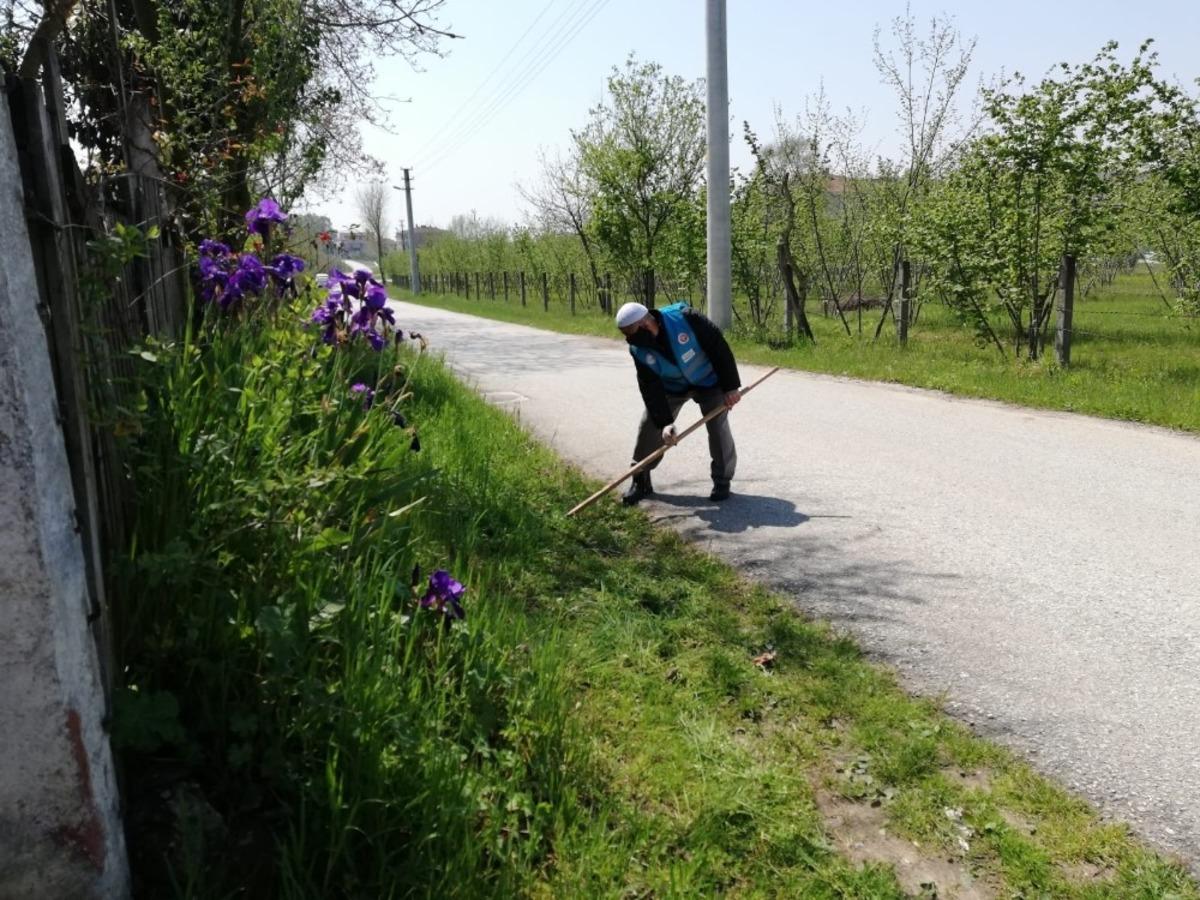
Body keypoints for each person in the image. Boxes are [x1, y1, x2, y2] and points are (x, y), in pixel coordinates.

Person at [615, 300, 742, 505]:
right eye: (624, 334)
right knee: (649, 426)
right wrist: (665, 423)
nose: (629, 339)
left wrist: (730, 387)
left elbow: (719, 347)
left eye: (630, 333)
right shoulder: (638, 349)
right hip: (671, 388)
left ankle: (722, 480)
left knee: (718, 427)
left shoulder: (686, 317)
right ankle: (640, 480)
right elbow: (650, 386)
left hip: (708, 381)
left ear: (646, 325)